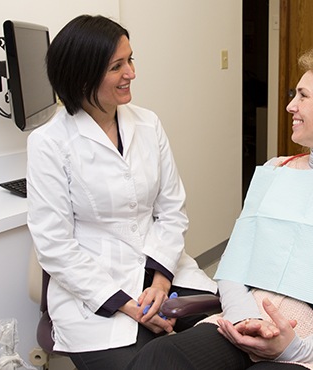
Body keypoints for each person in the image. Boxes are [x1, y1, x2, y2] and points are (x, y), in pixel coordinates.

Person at [128, 49, 313, 370]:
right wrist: (244, 319)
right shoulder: (277, 170)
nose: (290, 105)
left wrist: (298, 348)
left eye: (303, 96)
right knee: (159, 357)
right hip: (242, 322)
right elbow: (233, 266)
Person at [25, 15, 217, 370]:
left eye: (131, 59)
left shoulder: (148, 124)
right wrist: (132, 306)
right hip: (97, 289)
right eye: (117, 66)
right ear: (83, 76)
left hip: (160, 268)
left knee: (230, 338)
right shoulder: (49, 143)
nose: (131, 73)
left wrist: (161, 283)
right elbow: (54, 245)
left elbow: (172, 210)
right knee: (146, 365)